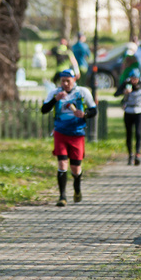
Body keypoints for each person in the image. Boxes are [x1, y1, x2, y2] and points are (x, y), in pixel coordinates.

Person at [41, 68, 97, 206]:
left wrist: (84, 114)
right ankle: (62, 196)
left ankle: (77, 188)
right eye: (63, 81)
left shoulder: (82, 92)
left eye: (68, 81)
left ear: (74, 80)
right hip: (60, 132)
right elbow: (44, 110)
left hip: (77, 133)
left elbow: (94, 110)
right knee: (62, 163)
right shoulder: (55, 93)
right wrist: (55, 99)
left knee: (75, 168)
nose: (65, 84)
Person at [121, 67, 141, 165]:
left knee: (138, 133)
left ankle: (138, 154)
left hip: (139, 111)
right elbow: (116, 93)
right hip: (128, 111)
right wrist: (124, 91)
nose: (134, 81)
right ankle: (130, 155)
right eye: (132, 79)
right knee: (129, 134)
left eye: (135, 79)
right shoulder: (126, 83)